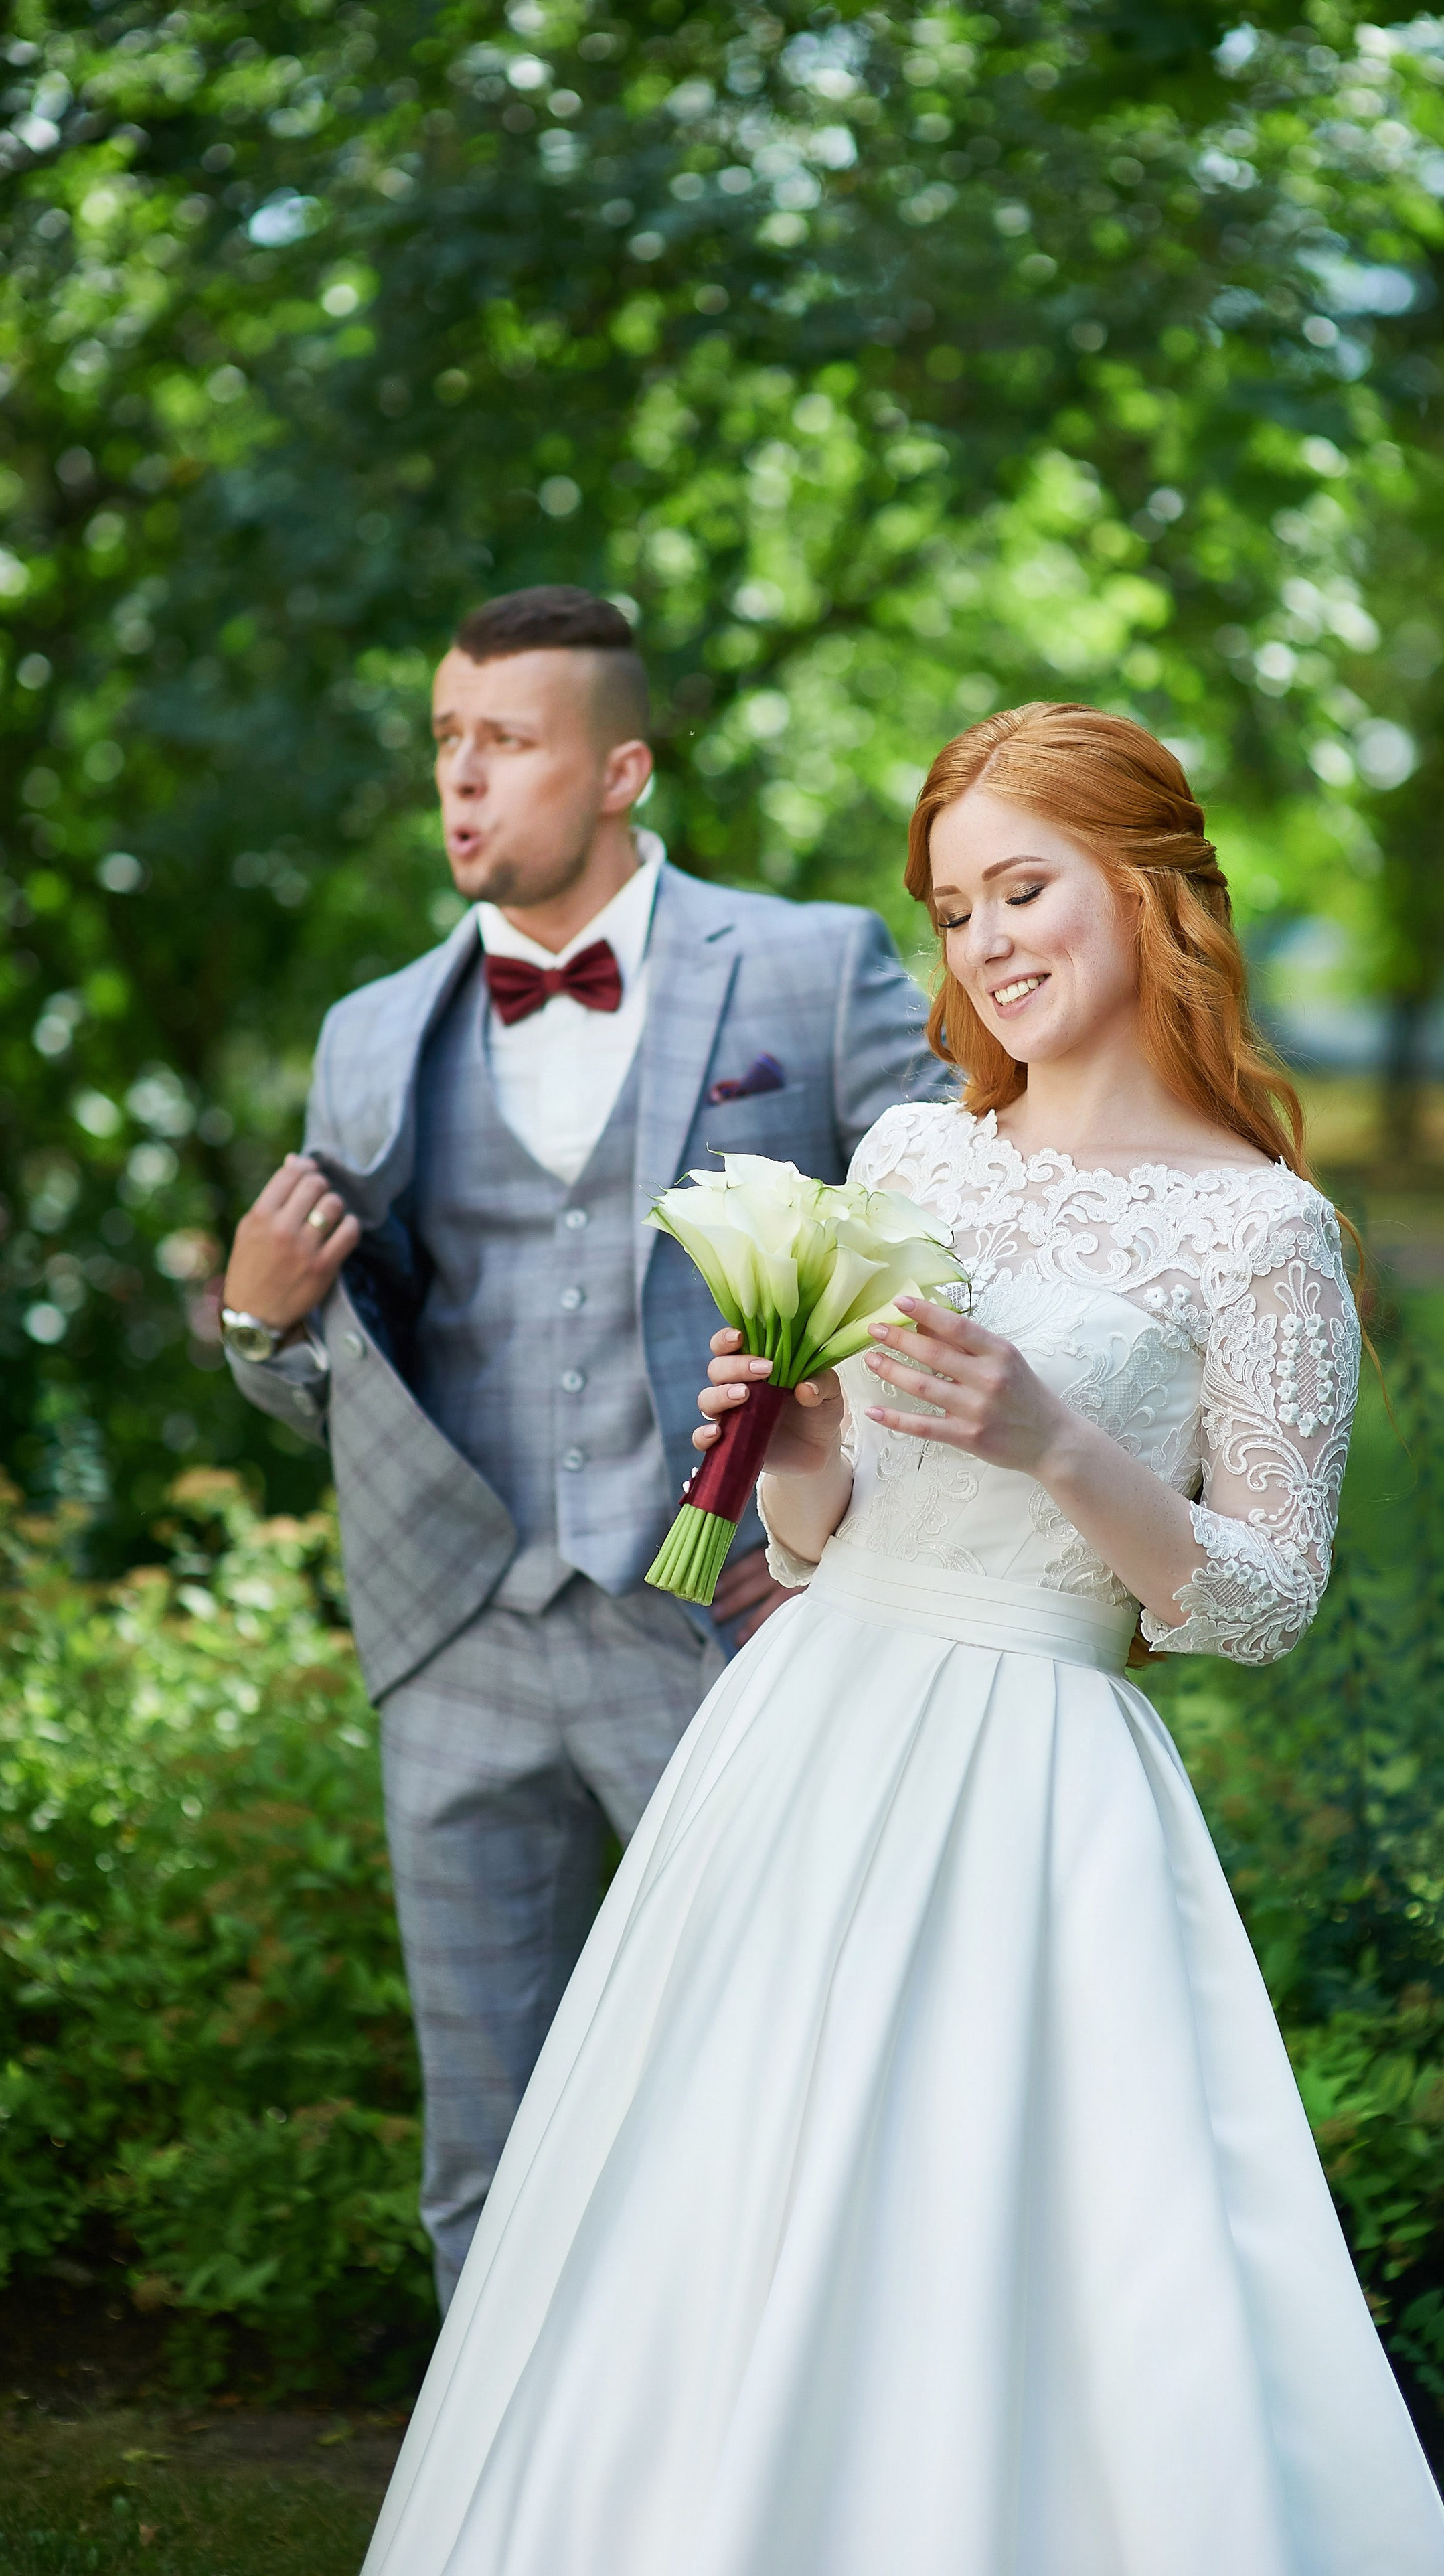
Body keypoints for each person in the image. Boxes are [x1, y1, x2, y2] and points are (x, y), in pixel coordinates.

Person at [361, 703, 1444, 2576]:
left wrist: (1059, 1440)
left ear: (1151, 888)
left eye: (1024, 890)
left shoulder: (1266, 1234)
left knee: (1018, 2243)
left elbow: (1263, 1604)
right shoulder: (912, 1158)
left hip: (1042, 1772)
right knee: (718, 2210)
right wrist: (792, 1448)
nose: (992, 947)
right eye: (957, 913)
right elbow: (818, 1531)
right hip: (806, 1738)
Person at [220, 585, 942, 2305]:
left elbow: (954, 1227)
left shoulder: (803, 961)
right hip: (453, 1637)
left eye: (507, 743)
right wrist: (257, 1328)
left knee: (779, 2085)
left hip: (714, 1620)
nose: (462, 782)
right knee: (485, 2146)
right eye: (446, 745)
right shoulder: (372, 1032)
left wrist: (840, 1497)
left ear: (617, 767)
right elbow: (343, 1371)